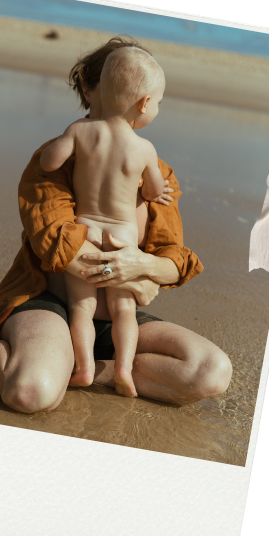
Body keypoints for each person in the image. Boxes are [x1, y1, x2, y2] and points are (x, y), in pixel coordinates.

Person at [0, 37, 232, 413]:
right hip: (51, 302)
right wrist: (136, 279)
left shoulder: (159, 175)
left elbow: (171, 258)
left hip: (117, 316)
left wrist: (147, 267)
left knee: (210, 371)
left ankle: (89, 370)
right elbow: (58, 245)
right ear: (88, 88)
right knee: (31, 393)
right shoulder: (54, 161)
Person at [38, 47, 170, 397]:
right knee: (123, 308)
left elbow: (50, 162)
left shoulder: (81, 131)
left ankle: (82, 367)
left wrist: (58, 150)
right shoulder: (144, 148)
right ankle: (123, 371)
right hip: (123, 235)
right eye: (158, 102)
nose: (156, 108)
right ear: (144, 104)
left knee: (82, 306)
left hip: (87, 227)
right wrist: (153, 190)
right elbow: (156, 189)